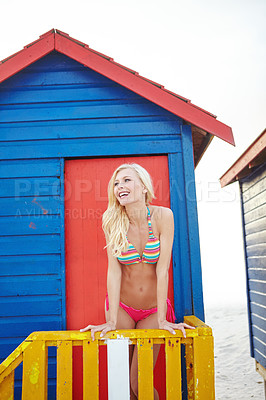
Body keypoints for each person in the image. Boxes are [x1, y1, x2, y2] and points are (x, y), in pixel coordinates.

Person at [80, 163, 194, 400]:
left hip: (153, 311)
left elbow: (163, 270)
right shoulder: (111, 219)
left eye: (127, 180)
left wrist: (162, 319)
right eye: (116, 183)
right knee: (122, 385)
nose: (120, 186)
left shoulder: (164, 216)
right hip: (122, 308)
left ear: (143, 187)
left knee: (138, 383)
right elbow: (114, 271)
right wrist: (111, 320)